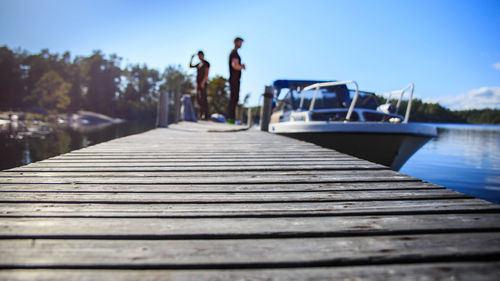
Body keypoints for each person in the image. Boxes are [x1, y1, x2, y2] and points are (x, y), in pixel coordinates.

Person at [228, 37, 245, 123]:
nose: (241, 45)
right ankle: (231, 119)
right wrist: (241, 67)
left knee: (234, 98)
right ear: (236, 42)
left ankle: (231, 118)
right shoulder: (234, 53)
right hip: (234, 79)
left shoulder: (234, 53)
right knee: (234, 98)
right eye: (240, 43)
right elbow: (234, 65)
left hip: (234, 79)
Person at [189, 50, 210, 120]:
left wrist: (203, 82)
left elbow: (207, 74)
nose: (199, 57)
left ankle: (206, 115)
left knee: (204, 98)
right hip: (198, 83)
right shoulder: (199, 64)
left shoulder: (206, 63)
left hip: (203, 83)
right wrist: (191, 58)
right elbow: (190, 66)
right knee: (198, 99)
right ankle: (200, 114)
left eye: (200, 55)